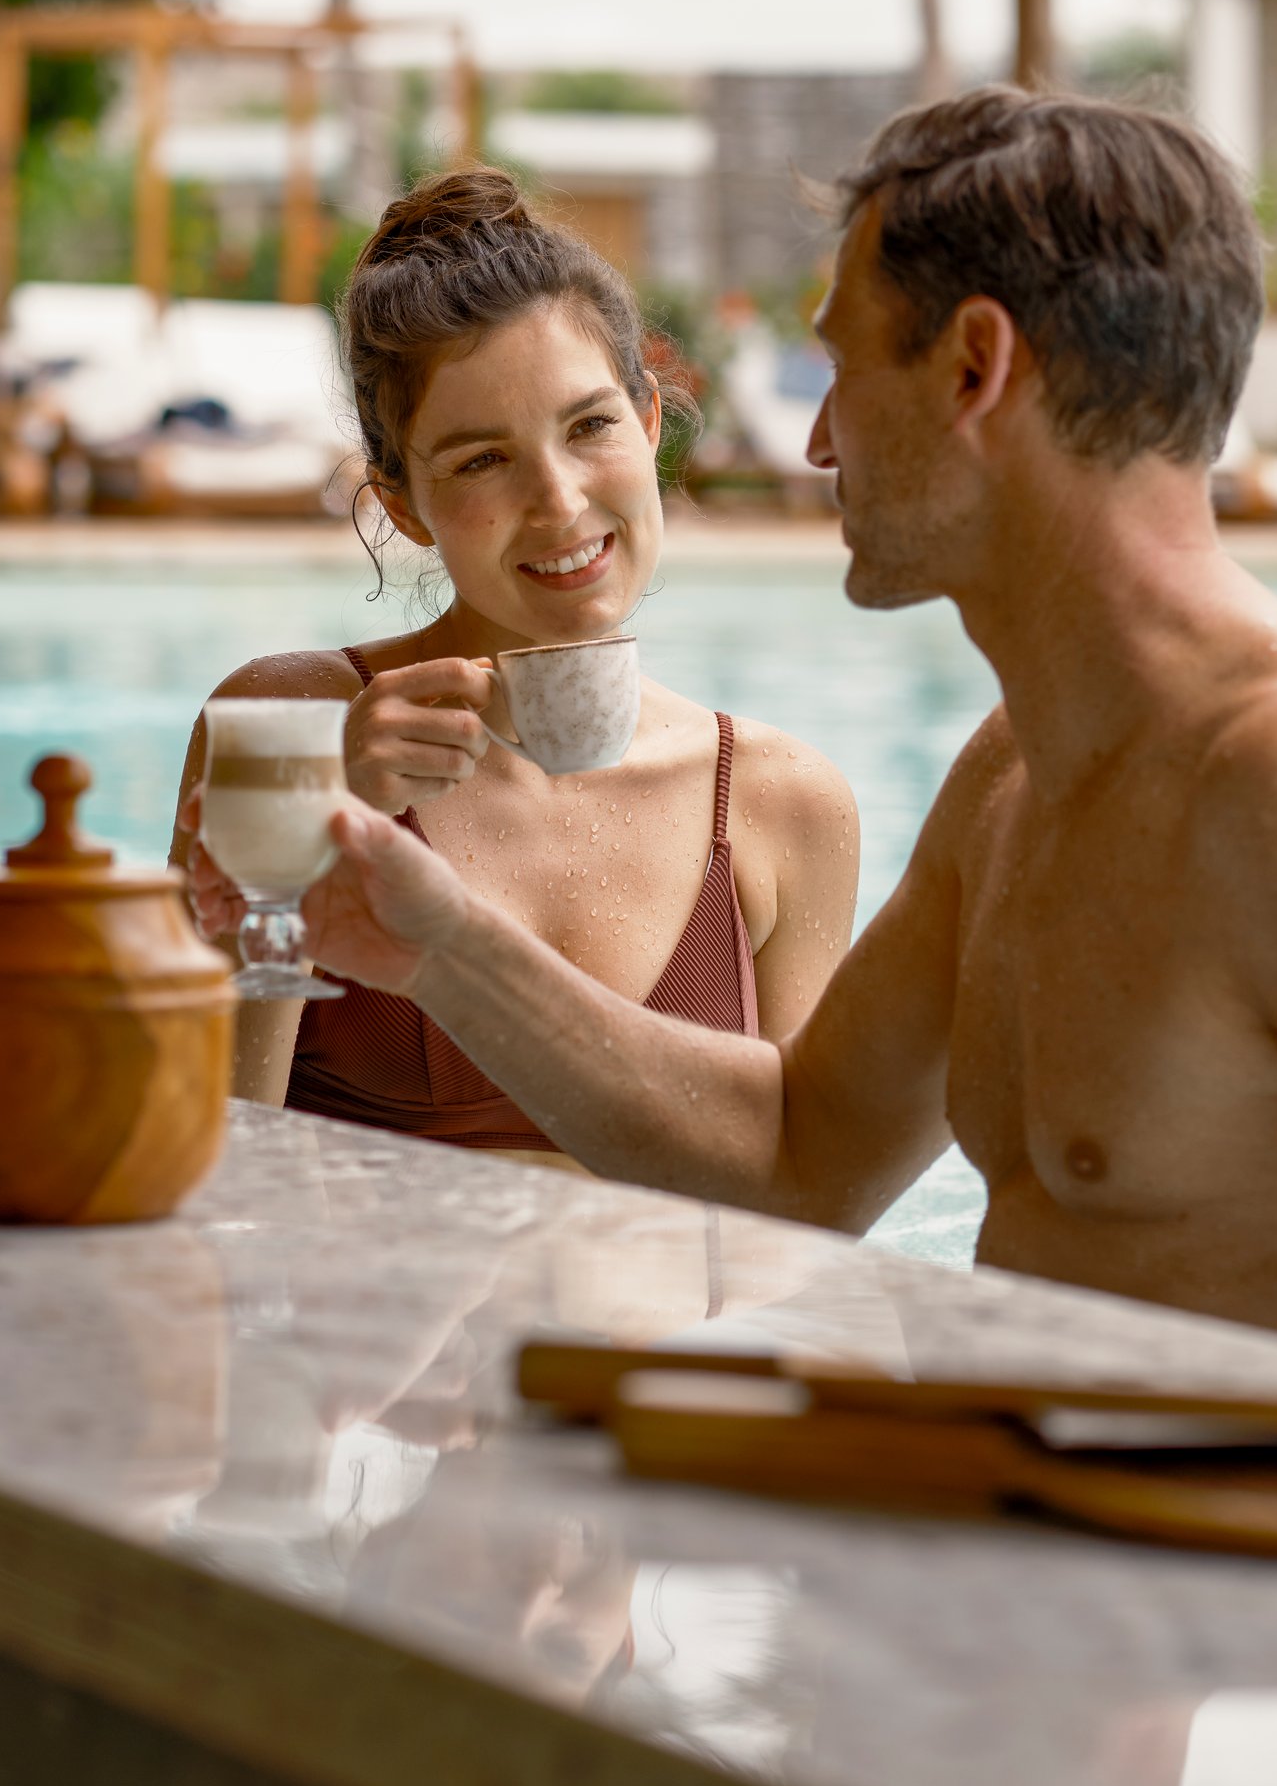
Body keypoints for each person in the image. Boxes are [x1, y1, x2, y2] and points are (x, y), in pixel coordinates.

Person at [303, 91, 1277, 1412]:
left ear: (975, 370)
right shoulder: (1017, 774)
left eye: (845, 367)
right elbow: (798, 1161)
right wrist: (438, 946)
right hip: (1045, 1595)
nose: (821, 439)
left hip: (1240, 1626)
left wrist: (1169, 1565)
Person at [172, 171, 861, 1165]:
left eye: (590, 427)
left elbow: (808, 1205)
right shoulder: (289, 723)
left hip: (666, 1324)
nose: (558, 501)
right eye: (481, 460)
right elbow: (200, 1155)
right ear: (403, 503)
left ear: (651, 421)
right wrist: (301, 836)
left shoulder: (782, 804)